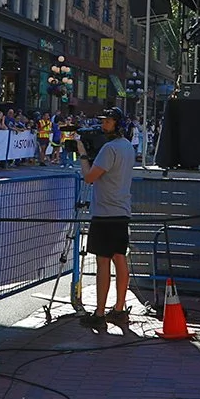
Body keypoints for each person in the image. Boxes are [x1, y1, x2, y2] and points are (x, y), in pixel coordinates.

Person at [79, 107, 136, 329]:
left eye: (109, 122)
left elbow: (89, 177)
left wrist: (83, 154)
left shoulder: (109, 148)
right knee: (119, 258)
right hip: (121, 210)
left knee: (103, 262)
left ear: (118, 124)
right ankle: (119, 309)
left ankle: (100, 313)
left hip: (104, 213)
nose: (104, 126)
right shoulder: (127, 147)